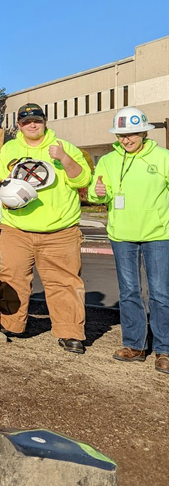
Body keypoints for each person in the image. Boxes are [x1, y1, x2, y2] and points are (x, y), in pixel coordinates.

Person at [0, 102, 91, 354]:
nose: (31, 125)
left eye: (36, 120)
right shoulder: (9, 148)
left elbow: (83, 179)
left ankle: (70, 333)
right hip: (17, 228)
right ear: (19, 125)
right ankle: (12, 325)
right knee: (12, 279)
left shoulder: (63, 146)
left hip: (60, 230)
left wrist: (64, 158)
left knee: (65, 283)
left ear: (45, 121)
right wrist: (5, 189)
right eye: (25, 122)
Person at [88, 107, 169, 373]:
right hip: (122, 235)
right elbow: (98, 193)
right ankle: (135, 345)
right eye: (122, 135)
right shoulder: (109, 161)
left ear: (144, 132)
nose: (127, 139)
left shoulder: (162, 157)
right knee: (129, 293)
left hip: (159, 234)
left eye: (132, 133)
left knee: (160, 293)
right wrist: (99, 192)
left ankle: (164, 350)